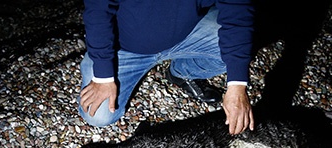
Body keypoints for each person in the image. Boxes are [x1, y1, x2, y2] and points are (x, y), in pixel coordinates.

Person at [77, 0, 255, 135]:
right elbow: (97, 11)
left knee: (238, 53)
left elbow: (237, 15)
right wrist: (103, 76)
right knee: (99, 115)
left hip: (187, 33)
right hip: (124, 48)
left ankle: (182, 72)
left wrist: (237, 86)